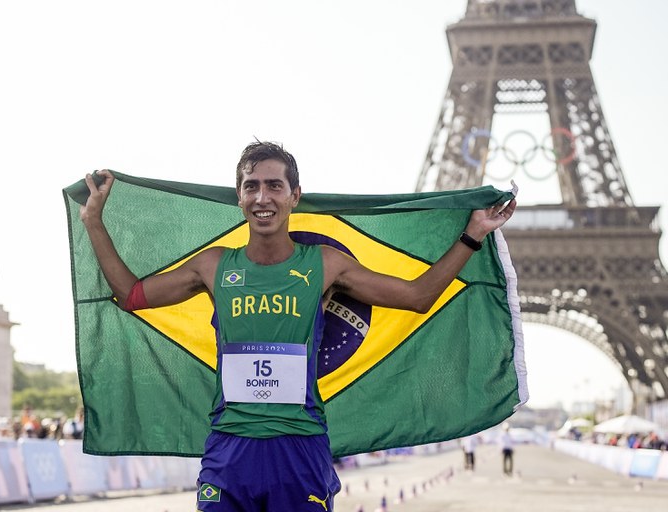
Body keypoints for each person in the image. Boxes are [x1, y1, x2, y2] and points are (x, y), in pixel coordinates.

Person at [80, 141, 516, 511]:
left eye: (274, 185)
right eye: (251, 186)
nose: (262, 197)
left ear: (294, 195)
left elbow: (418, 297)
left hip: (299, 445)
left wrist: (473, 234)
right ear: (239, 197)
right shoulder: (213, 267)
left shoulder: (325, 264)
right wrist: (94, 224)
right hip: (229, 447)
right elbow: (132, 296)